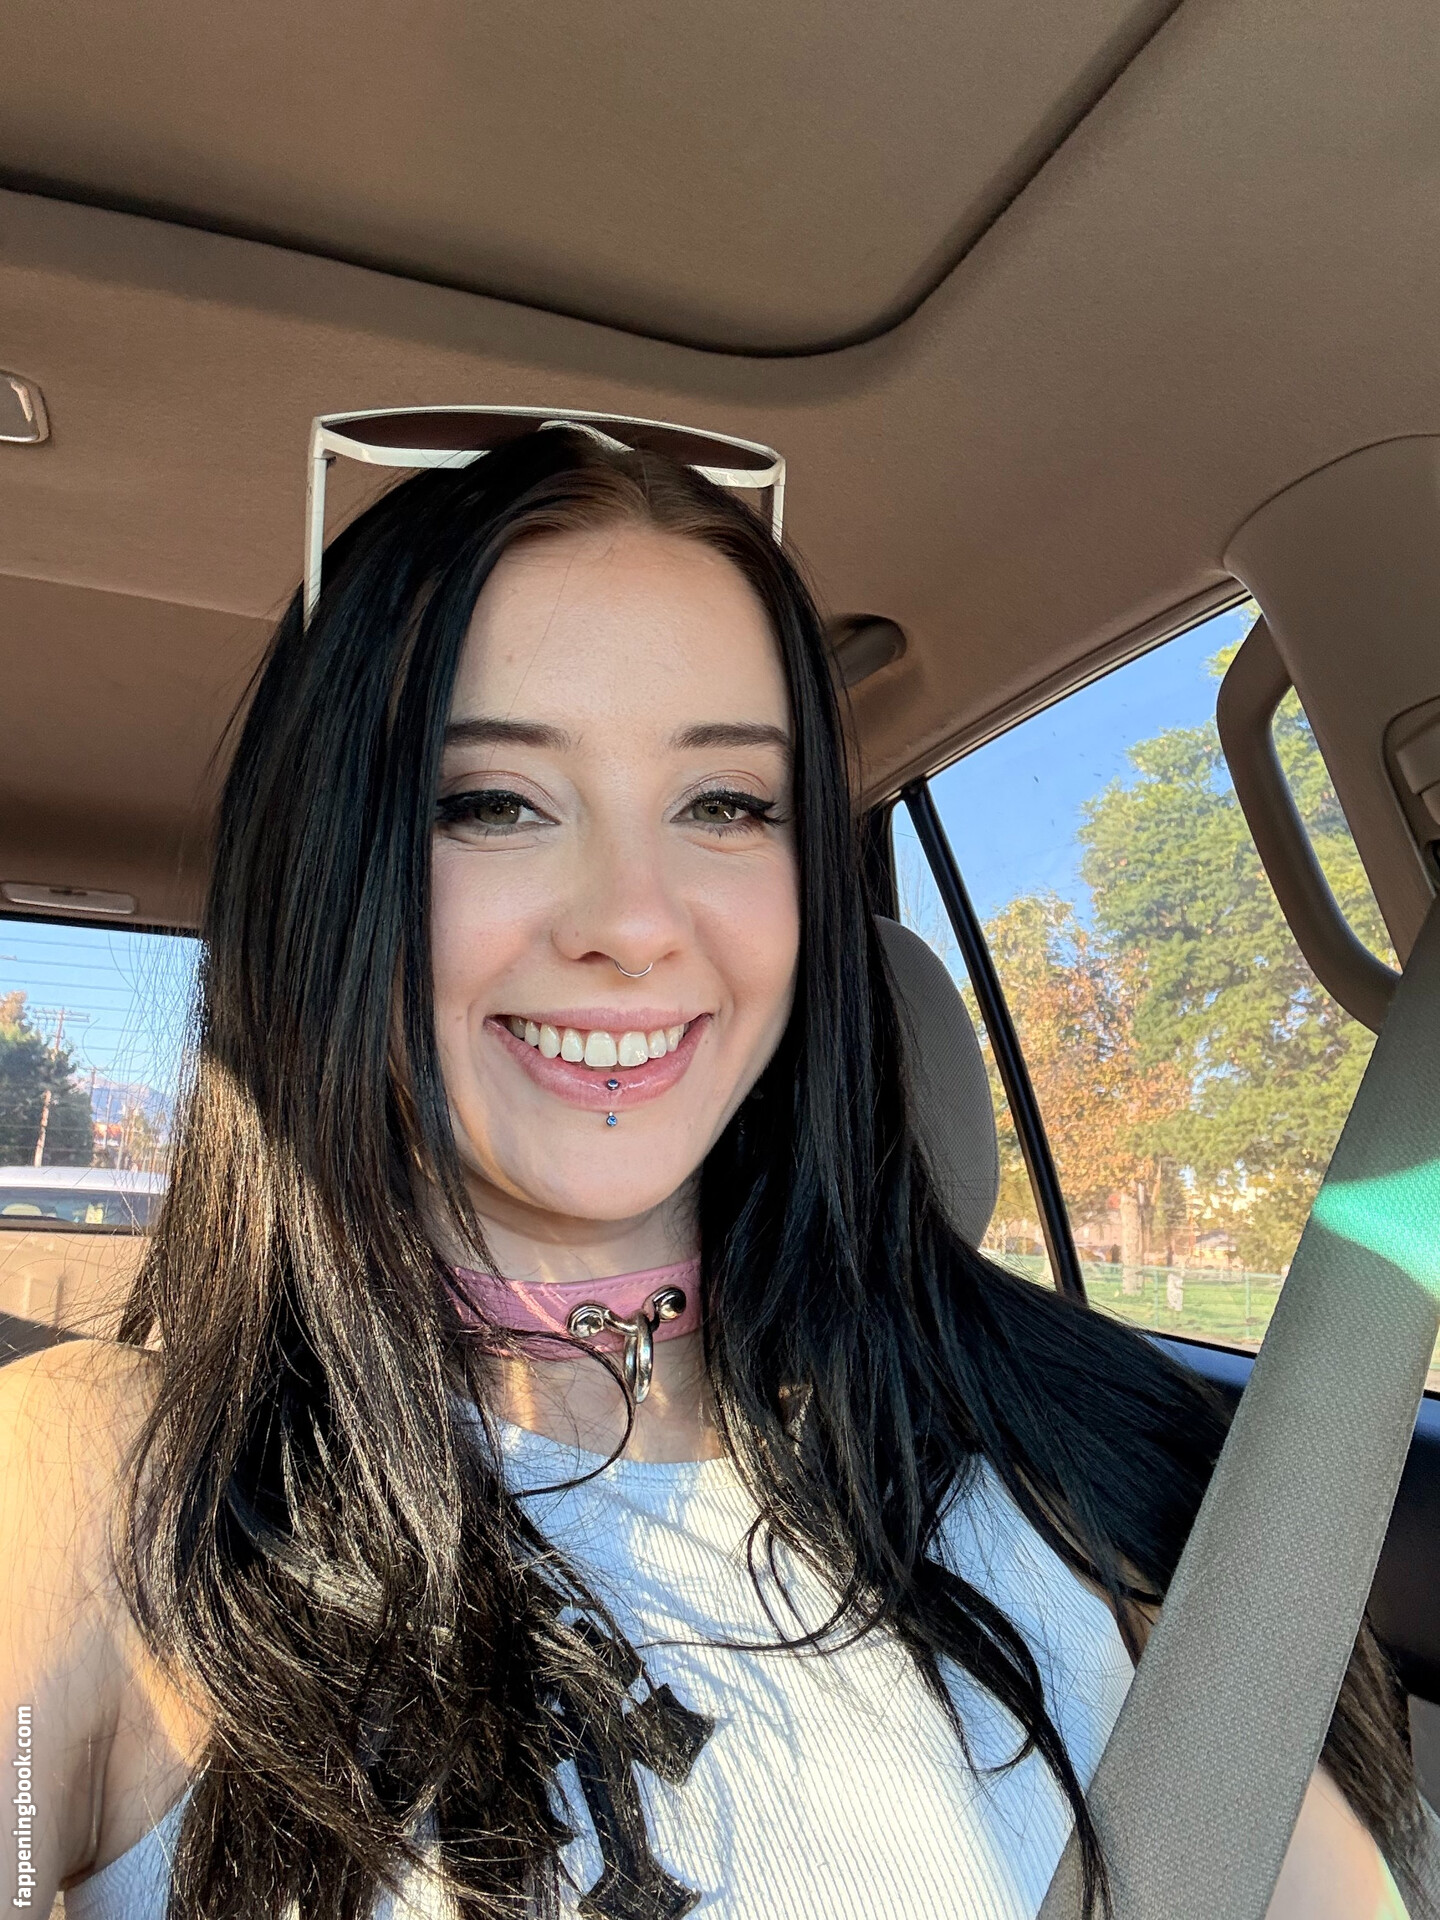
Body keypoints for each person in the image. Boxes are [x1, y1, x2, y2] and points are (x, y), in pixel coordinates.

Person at [1, 426, 1430, 1920]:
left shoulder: (1074, 1470)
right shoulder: (101, 1488)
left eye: (727, 805)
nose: (635, 921)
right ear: (324, 873)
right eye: (490, 800)